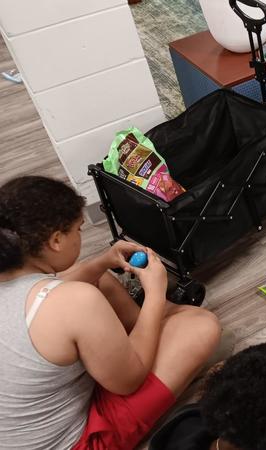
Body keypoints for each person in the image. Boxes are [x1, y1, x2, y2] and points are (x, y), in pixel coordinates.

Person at [0, 176, 222, 450]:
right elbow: (128, 382)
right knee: (203, 325)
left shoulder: (20, 283)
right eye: (78, 230)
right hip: (75, 443)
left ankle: (155, 326)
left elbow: (64, 289)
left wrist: (103, 261)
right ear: (56, 240)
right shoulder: (75, 302)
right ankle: (164, 326)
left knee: (98, 277)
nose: (80, 235)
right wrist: (154, 292)